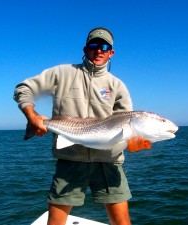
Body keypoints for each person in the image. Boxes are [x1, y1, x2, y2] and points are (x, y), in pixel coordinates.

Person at [13, 27, 148, 225]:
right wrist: (32, 116)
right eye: (94, 46)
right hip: (70, 159)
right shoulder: (62, 74)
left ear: (111, 52)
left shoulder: (117, 86)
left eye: (104, 46)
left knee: (122, 221)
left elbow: (125, 126)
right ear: (85, 50)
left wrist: (133, 143)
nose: (99, 50)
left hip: (108, 162)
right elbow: (23, 89)